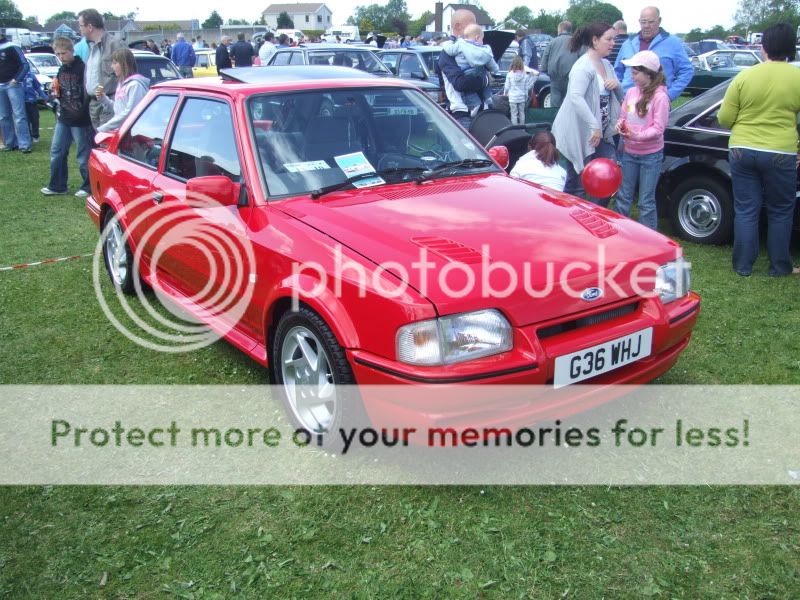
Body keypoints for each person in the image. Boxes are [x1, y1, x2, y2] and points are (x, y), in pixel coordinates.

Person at [718, 23, 800, 277]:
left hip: (742, 148)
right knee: (781, 210)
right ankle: (779, 266)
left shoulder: (745, 76)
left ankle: (743, 266)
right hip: (780, 151)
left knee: (746, 208)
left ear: (763, 46)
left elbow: (724, 118)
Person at [551, 22, 622, 204]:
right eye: (609, 39)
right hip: (581, 133)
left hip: (602, 135)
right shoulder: (583, 66)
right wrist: (594, 125)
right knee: (578, 184)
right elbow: (575, 97)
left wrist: (617, 85)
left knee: (605, 178)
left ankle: (598, 218)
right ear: (595, 40)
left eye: (614, 39)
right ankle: (572, 223)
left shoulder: (607, 65)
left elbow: (620, 97)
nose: (613, 43)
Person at [613, 50, 669, 230]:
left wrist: (636, 135)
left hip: (650, 156)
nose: (632, 76)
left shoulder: (660, 97)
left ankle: (649, 240)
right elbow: (624, 115)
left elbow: (658, 129)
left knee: (645, 201)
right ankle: (621, 233)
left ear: (648, 73)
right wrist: (620, 125)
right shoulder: (630, 93)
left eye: (636, 73)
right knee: (624, 196)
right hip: (629, 152)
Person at [41, 37, 93, 197]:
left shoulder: (83, 68)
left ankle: (88, 187)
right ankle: (57, 185)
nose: (61, 57)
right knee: (57, 151)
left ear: (71, 51)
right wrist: (54, 92)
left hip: (81, 119)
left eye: (63, 53)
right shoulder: (61, 69)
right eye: (58, 54)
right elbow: (58, 90)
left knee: (83, 155)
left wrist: (83, 111)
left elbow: (90, 92)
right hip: (64, 117)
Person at [614, 6, 693, 101]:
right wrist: (621, 94)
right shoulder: (628, 43)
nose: (646, 25)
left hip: (657, 103)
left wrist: (669, 95)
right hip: (628, 102)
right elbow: (617, 72)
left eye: (651, 22)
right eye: (643, 22)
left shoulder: (673, 43)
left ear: (659, 21)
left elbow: (687, 71)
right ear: (639, 22)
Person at [438, 8, 488, 129]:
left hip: (480, 111)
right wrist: (485, 80)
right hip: (462, 114)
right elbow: (461, 83)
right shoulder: (447, 52)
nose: (475, 30)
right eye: (471, 25)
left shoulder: (472, 47)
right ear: (457, 26)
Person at [78, 8, 125, 130]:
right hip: (94, 103)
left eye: (81, 25)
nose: (80, 29)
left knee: (107, 143)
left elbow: (126, 74)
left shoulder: (114, 44)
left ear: (90, 27)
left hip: (109, 102)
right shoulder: (91, 46)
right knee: (99, 143)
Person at [442, 24, 499, 114]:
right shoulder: (484, 49)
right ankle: (489, 100)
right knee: (486, 87)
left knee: (469, 92)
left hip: (466, 72)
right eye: (482, 39)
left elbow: (450, 50)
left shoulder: (460, 44)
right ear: (477, 37)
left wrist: (448, 42)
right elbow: (491, 63)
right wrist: (493, 72)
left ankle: (475, 105)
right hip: (480, 72)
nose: (482, 41)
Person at [95, 48, 149, 133]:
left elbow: (130, 112)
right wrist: (104, 99)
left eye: (115, 63)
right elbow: (119, 109)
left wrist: (105, 128)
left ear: (125, 64)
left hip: (132, 133)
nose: (112, 66)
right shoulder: (121, 84)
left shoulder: (135, 85)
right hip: (122, 132)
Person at [0, 30, 32, 153]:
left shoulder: (12, 46)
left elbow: (24, 65)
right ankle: (10, 143)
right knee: (3, 116)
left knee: (19, 115)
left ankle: (24, 144)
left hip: (12, 85)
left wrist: (16, 79)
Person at [540, 21, 581, 108]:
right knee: (570, 104)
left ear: (561, 29)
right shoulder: (577, 42)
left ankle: (555, 120)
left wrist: (546, 72)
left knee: (555, 105)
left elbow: (544, 63)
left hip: (555, 78)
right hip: (572, 78)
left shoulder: (552, 42)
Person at [502, 55, 537, 125]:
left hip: (512, 98)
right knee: (522, 113)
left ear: (513, 63)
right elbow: (526, 88)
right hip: (522, 98)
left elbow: (507, 87)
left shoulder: (509, 74)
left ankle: (515, 130)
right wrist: (526, 97)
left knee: (514, 114)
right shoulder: (525, 75)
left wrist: (505, 93)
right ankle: (522, 129)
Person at [22, 70, 47, 143]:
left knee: (35, 119)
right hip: (21, 102)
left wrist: (45, 97)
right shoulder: (16, 75)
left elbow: (38, 87)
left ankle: (35, 135)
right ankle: (28, 136)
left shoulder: (31, 75)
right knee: (25, 120)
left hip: (32, 101)